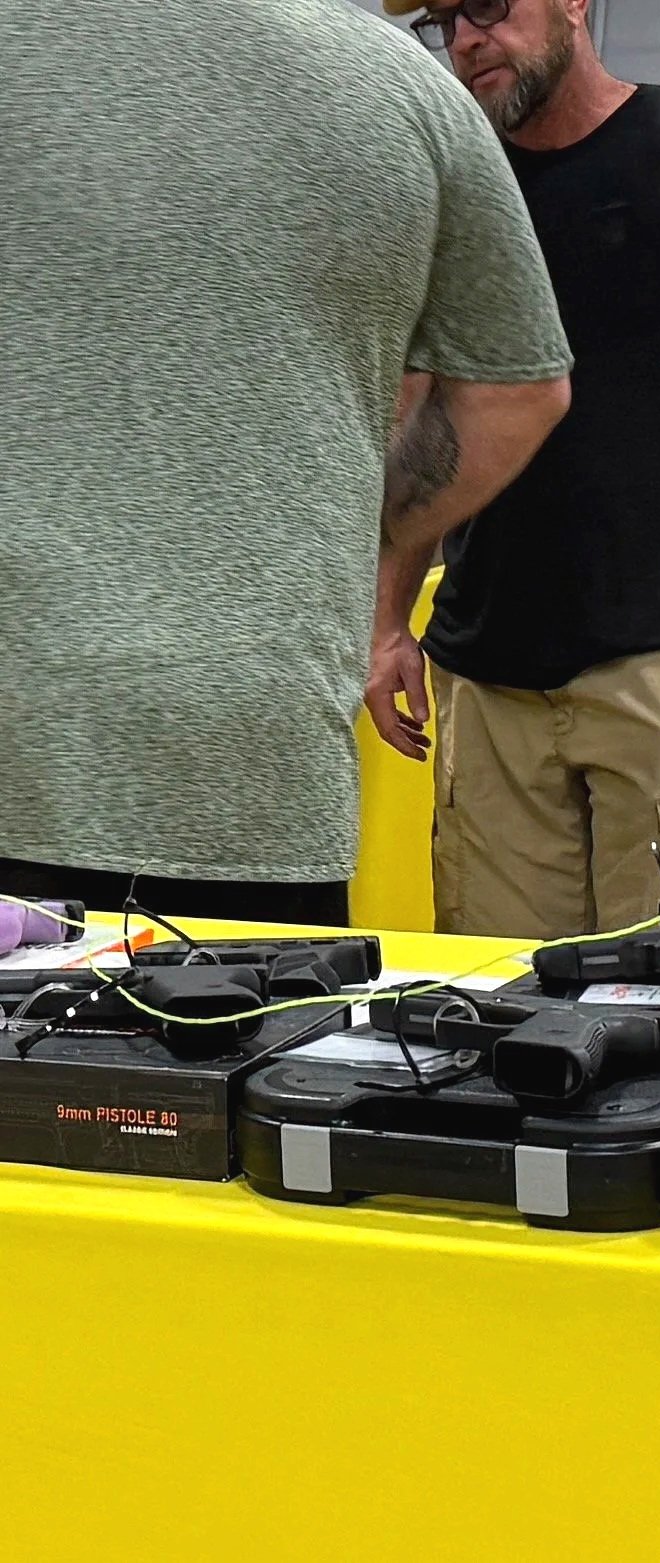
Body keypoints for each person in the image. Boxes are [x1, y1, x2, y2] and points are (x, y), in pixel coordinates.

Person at [0, 0, 572, 924]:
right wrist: (377, 543)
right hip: (251, 745)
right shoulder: (404, 84)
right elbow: (516, 392)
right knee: (232, 1061)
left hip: (18, 722)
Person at [373, 0, 660, 939]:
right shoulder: (460, 185)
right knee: (504, 1011)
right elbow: (424, 417)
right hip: (486, 669)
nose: (466, 39)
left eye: (487, 6)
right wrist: (387, 615)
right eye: (443, 22)